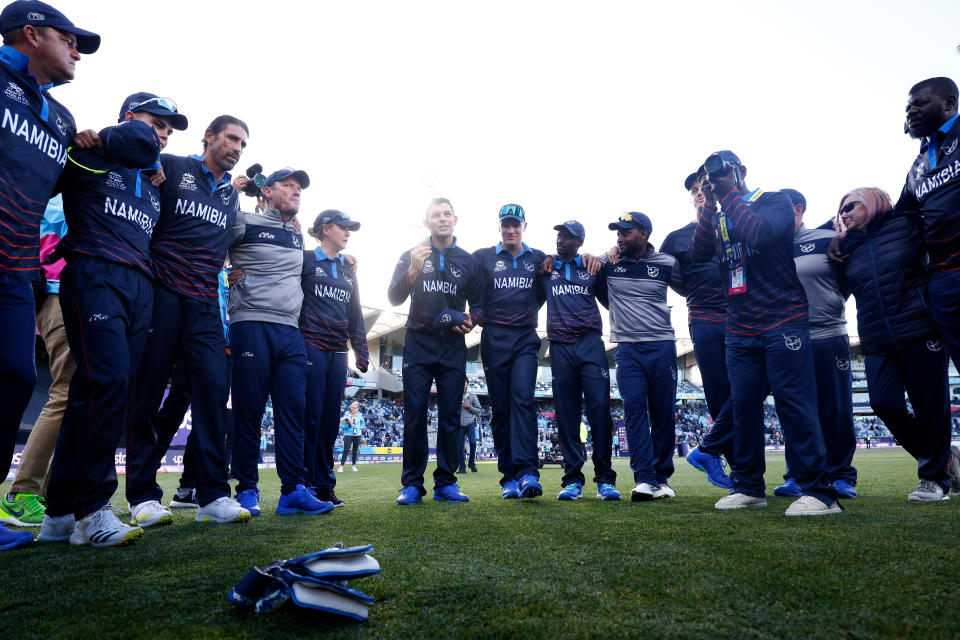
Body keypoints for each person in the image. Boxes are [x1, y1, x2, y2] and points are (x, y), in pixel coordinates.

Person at [39, 94, 179, 547]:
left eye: (169, 129)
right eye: (156, 122)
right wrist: (92, 140)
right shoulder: (92, 153)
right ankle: (92, 510)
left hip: (140, 284)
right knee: (109, 381)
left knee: (90, 392)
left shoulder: (155, 181)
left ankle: (60, 511)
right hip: (95, 274)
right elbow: (52, 178)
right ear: (128, 118)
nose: (162, 133)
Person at [689, 150, 840, 515]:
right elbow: (698, 252)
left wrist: (727, 193)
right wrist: (710, 202)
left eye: (721, 174)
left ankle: (819, 492)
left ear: (741, 171)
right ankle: (749, 486)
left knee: (793, 404)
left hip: (782, 318)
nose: (714, 181)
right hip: (739, 326)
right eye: (708, 179)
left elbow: (757, 232)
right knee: (743, 408)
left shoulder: (775, 201)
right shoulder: (721, 211)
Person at [0, 0, 99, 551]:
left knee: (15, 376)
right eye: (69, 39)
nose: (76, 50)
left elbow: (69, 188)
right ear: (32, 35)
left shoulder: (60, 120)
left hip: (16, 268)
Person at [123, 115, 252, 529]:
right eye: (231, 138)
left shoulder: (230, 197)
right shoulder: (174, 166)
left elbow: (227, 246)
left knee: (214, 393)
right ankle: (142, 495)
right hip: (160, 296)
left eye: (243, 144)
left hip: (203, 307)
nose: (237, 148)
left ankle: (212, 494)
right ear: (209, 136)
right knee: (147, 396)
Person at [836, 187, 954, 501]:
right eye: (840, 210)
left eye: (850, 205)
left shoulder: (906, 223)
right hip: (876, 341)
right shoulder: (847, 246)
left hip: (919, 330)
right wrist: (833, 234)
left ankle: (934, 479)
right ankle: (946, 460)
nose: (844, 213)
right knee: (884, 404)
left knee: (930, 407)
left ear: (872, 201)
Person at [227, 168, 333, 517]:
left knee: (294, 414)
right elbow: (207, 242)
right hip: (251, 324)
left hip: (290, 333)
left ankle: (293, 491)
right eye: (288, 186)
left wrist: (343, 261)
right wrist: (229, 274)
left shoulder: (297, 234)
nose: (296, 191)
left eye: (300, 187)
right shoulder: (244, 220)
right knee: (248, 412)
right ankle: (246, 491)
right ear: (268, 192)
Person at [388, 197, 483, 505]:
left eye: (447, 214)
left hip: (452, 346)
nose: (442, 219)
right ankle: (412, 484)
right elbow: (393, 297)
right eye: (435, 215)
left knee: (450, 418)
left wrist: (471, 320)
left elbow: (480, 304)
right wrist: (414, 269)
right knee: (414, 416)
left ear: (455, 220)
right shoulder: (411, 254)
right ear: (426, 222)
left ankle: (446, 482)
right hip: (417, 343)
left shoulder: (468, 261)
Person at [774, 189, 857, 499]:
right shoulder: (770, 246)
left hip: (828, 334)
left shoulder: (827, 237)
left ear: (797, 209)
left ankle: (841, 475)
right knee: (796, 411)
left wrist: (831, 304)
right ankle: (798, 475)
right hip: (787, 338)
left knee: (835, 408)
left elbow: (849, 278)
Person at [0, 196, 71, 528]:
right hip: (58, 292)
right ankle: (22, 493)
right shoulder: (60, 195)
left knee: (79, 396)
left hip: (76, 293)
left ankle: (49, 493)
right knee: (66, 392)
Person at [602, 212, 683, 501]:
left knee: (663, 415)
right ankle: (645, 479)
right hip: (628, 349)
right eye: (618, 234)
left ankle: (662, 479)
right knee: (635, 412)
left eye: (626, 232)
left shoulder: (666, 263)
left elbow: (692, 288)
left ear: (644, 234)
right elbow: (584, 264)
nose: (619, 238)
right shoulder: (609, 263)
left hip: (662, 346)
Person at [661, 171, 734, 489]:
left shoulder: (738, 225)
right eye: (694, 189)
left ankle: (709, 449)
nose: (699, 192)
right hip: (704, 320)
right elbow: (660, 273)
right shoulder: (676, 237)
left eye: (704, 186)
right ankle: (738, 468)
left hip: (745, 317)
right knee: (719, 396)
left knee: (754, 386)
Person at [472, 204, 547, 499]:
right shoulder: (483, 257)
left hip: (525, 339)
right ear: (500, 227)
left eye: (515, 224)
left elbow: (540, 294)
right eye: (506, 224)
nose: (511, 229)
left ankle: (528, 472)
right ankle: (509, 478)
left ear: (524, 226)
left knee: (523, 400)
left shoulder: (538, 258)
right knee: (501, 409)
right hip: (494, 339)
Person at [541, 220, 619, 501]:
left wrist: (602, 258)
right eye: (559, 234)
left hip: (590, 345)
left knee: (600, 411)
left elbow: (612, 301)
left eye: (569, 236)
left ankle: (605, 480)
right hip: (560, 347)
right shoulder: (546, 268)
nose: (561, 239)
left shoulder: (591, 268)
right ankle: (573, 479)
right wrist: (547, 258)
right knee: (566, 415)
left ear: (580, 242)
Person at [300, 210, 368, 505]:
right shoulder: (304, 260)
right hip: (309, 347)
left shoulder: (348, 270)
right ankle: (304, 485)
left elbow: (355, 314)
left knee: (329, 423)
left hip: (339, 353)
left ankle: (325, 486)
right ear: (326, 229)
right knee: (311, 419)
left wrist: (362, 352)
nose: (348, 232)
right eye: (344, 227)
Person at [896, 77, 960, 373]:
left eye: (920, 103)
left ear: (949, 102)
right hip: (943, 281)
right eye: (908, 107)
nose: (911, 111)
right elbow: (900, 219)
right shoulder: (916, 168)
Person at [458, 380, 481, 473]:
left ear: (467, 383)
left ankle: (471, 462)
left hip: (470, 423)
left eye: (464, 382)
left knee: (473, 443)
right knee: (459, 447)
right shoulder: (455, 395)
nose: (463, 383)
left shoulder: (472, 395)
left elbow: (479, 410)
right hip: (459, 424)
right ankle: (462, 468)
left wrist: (469, 407)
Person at [338, 401, 364, 473]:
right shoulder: (346, 414)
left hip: (357, 434)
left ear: (357, 408)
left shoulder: (359, 415)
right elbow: (343, 425)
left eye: (354, 408)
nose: (353, 409)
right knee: (346, 450)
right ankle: (341, 467)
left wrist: (359, 428)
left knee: (355, 451)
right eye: (352, 407)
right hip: (348, 434)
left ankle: (354, 466)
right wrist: (349, 425)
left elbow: (362, 423)